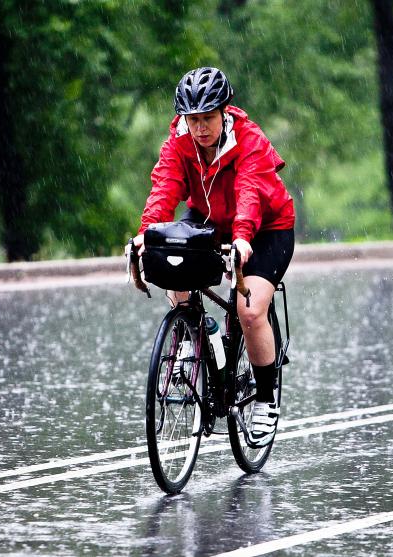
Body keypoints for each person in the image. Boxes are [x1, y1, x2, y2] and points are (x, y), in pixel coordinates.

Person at [132, 67, 295, 447]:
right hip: (208, 219)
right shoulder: (179, 141)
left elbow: (250, 193)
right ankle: (193, 333)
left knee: (249, 310)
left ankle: (267, 402)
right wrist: (146, 233)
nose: (201, 128)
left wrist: (241, 239)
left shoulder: (248, 140)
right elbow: (165, 187)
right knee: (171, 256)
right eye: (194, 120)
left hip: (267, 227)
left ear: (225, 112)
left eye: (208, 118)